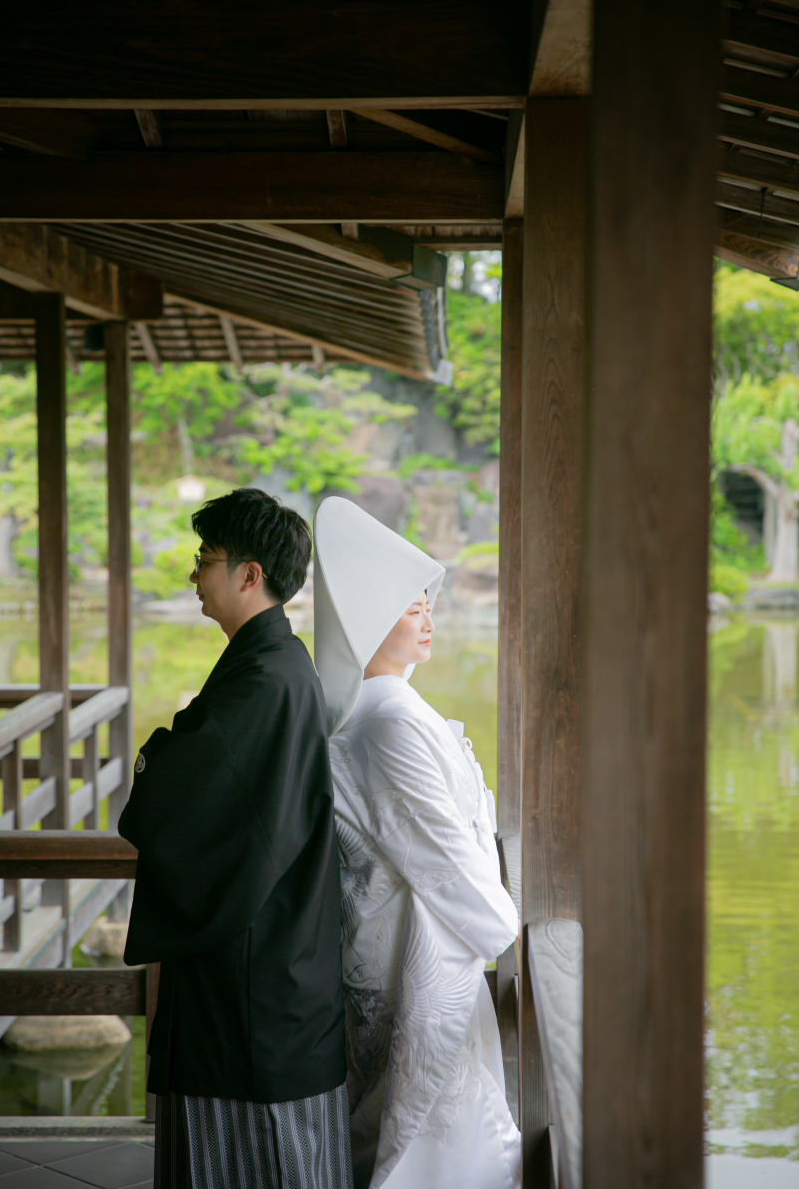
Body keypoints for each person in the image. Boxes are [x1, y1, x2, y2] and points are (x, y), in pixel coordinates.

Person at [119, 488, 351, 1189]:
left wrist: (161, 748)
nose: (195, 574)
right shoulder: (276, 663)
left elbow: (170, 792)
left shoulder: (262, 681)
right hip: (277, 954)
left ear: (250, 575)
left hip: (253, 974)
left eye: (205, 559)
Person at [313, 497, 521, 1189]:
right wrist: (503, 923)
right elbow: (444, 859)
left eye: (428, 606)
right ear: (369, 623)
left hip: (409, 944)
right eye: (410, 610)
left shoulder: (392, 709)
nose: (429, 620)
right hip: (412, 955)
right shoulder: (388, 724)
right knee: (426, 1137)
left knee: (424, 1129)